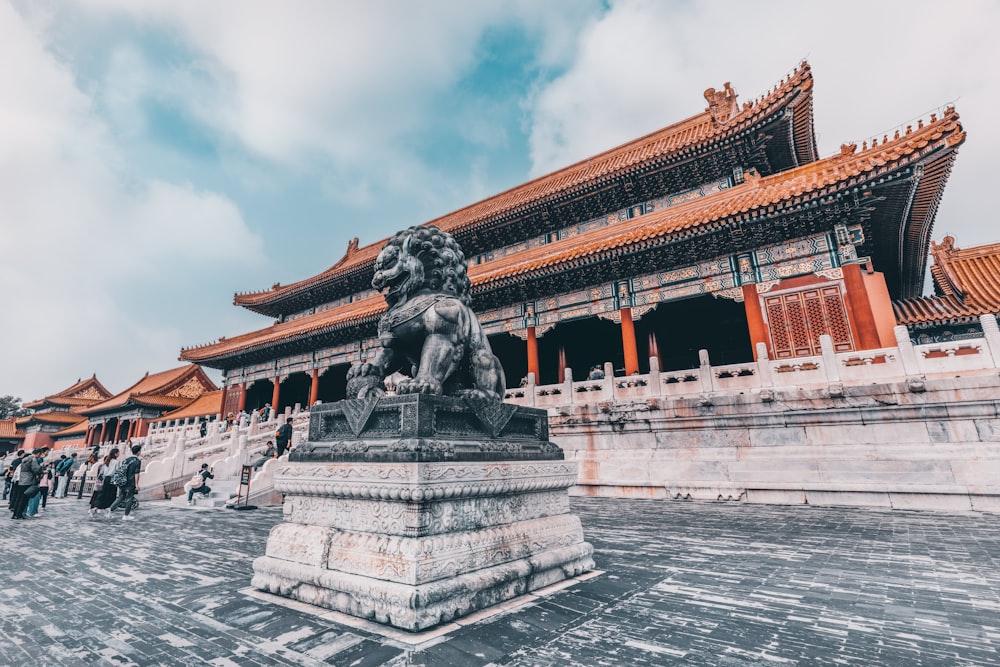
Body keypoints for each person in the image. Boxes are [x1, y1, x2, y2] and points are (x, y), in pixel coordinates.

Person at [107, 444, 142, 521]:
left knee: (120, 497)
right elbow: (137, 473)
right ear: (138, 452)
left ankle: (110, 510)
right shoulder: (137, 461)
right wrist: (136, 484)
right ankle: (126, 515)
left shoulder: (126, 460)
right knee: (129, 498)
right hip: (130, 482)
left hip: (122, 481)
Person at [11, 447, 46, 520]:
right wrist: (42, 468)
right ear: (38, 453)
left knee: (19, 498)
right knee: (24, 499)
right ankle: (19, 514)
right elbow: (36, 469)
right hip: (28, 480)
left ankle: (15, 514)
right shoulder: (33, 459)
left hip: (22, 480)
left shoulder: (25, 460)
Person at [90, 448, 120, 517]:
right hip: (112, 479)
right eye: (118, 453)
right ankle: (107, 511)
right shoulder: (116, 462)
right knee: (111, 496)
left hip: (106, 479)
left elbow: (102, 472)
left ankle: (95, 508)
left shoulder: (107, 461)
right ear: (115, 454)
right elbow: (117, 472)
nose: (119, 454)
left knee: (103, 494)